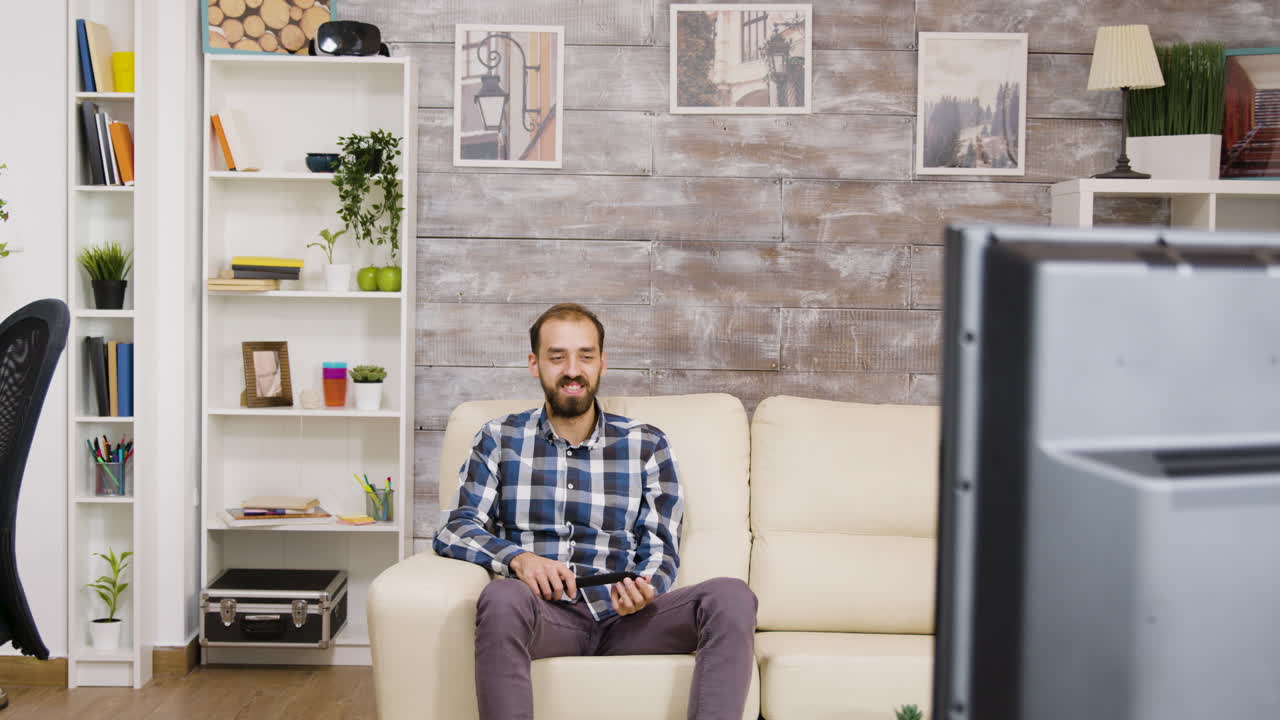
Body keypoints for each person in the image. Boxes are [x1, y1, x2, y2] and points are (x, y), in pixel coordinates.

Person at [434, 303, 758, 720]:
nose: (573, 370)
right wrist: (520, 559)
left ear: (602, 362)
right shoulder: (499, 438)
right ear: (534, 364)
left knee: (731, 595)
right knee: (501, 596)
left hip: (628, 619)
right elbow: (454, 528)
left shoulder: (647, 444)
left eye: (585, 356)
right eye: (557, 357)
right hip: (544, 617)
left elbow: (661, 544)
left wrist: (648, 588)